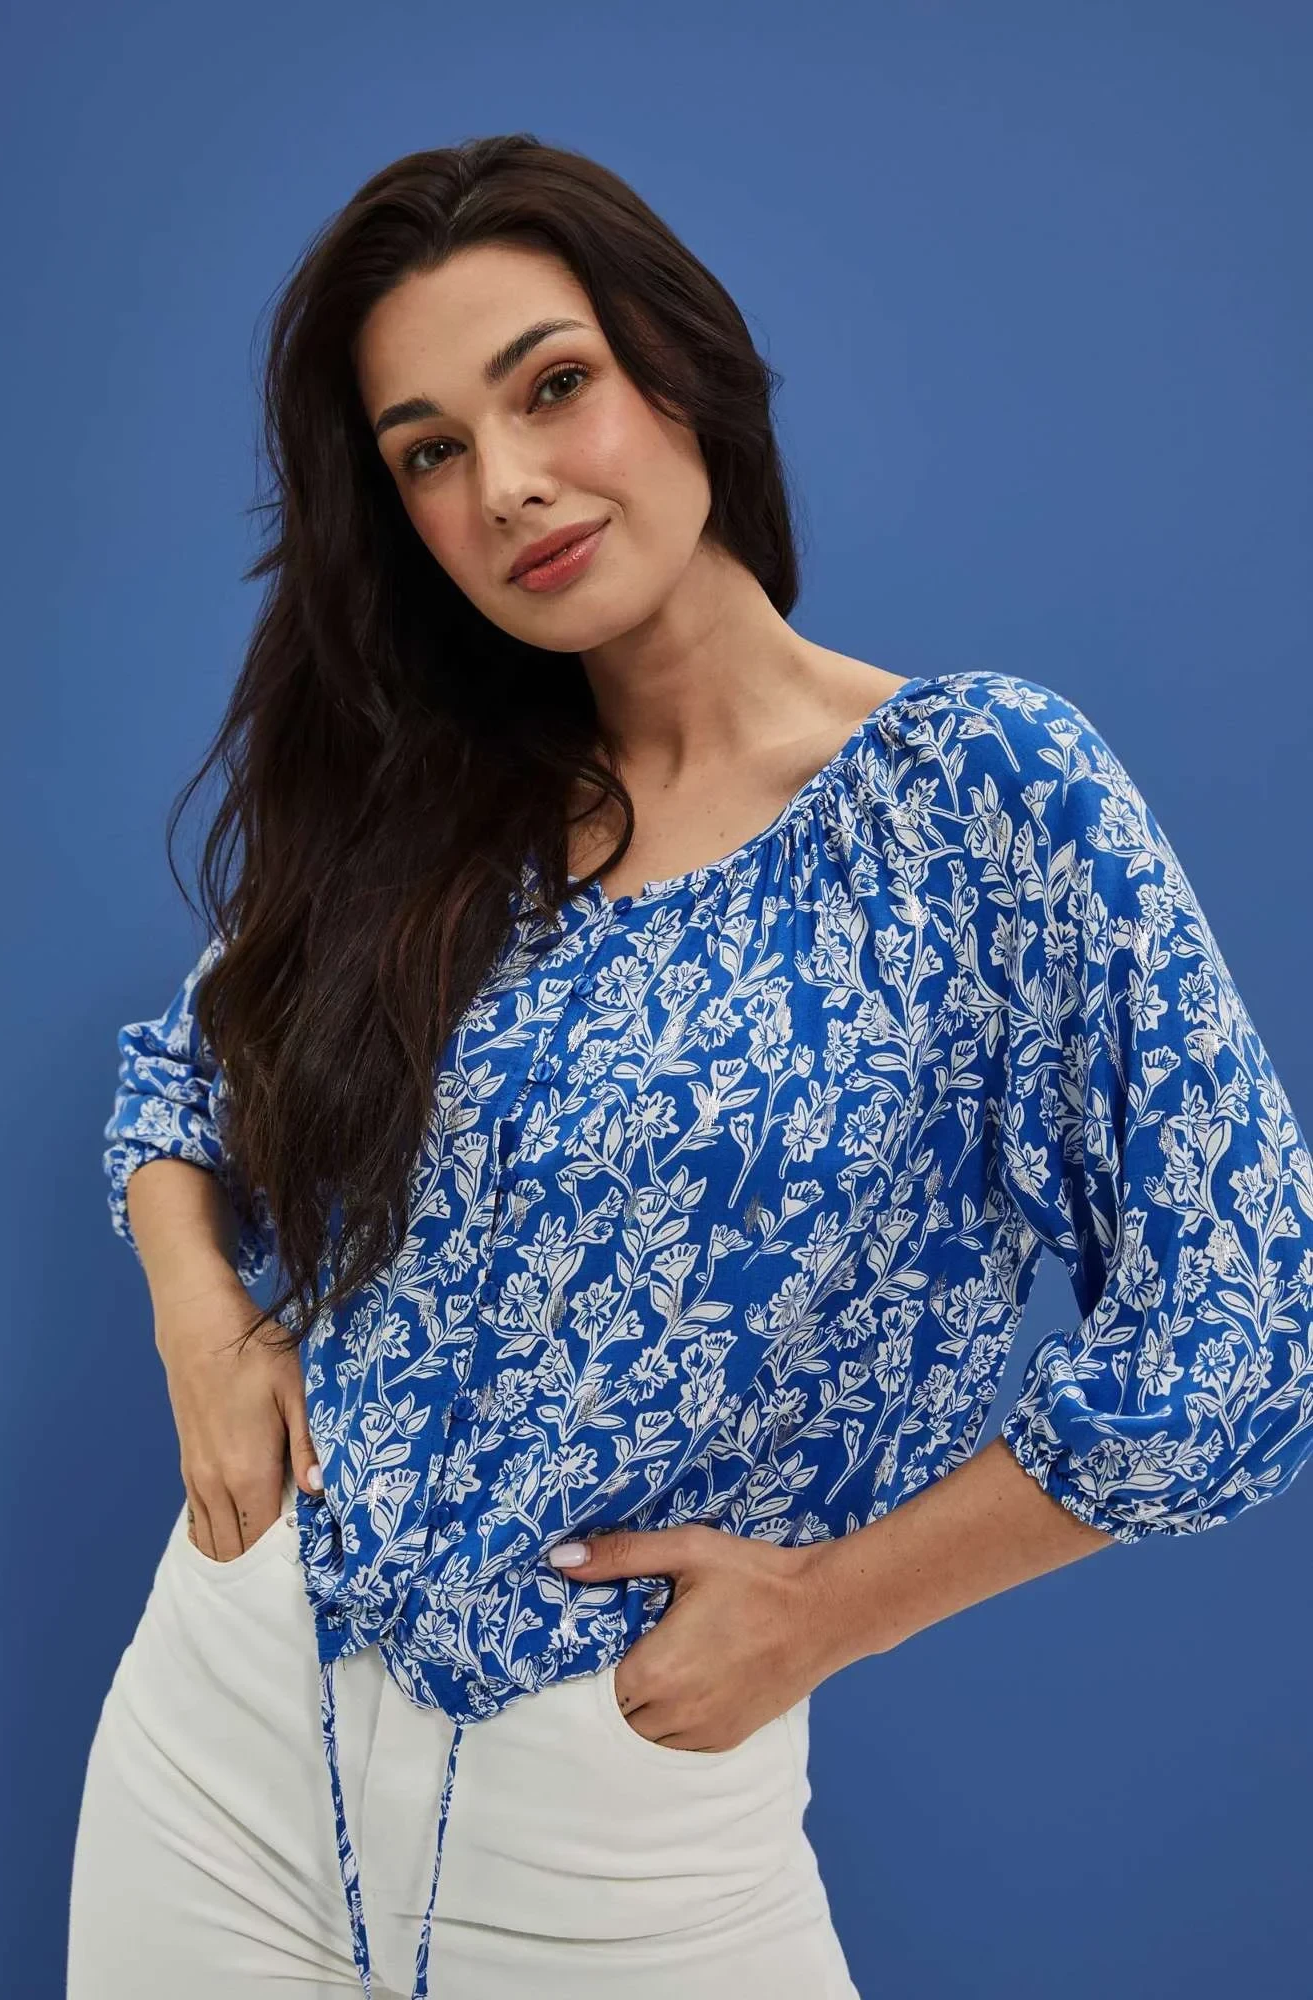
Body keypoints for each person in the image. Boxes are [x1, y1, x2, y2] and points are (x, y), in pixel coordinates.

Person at [68, 133, 1313, 2000]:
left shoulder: (979, 800)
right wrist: (203, 1320)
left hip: (616, 1824)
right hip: (220, 1737)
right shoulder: (444, 807)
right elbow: (183, 1076)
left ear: (682, 365)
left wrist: (827, 1611)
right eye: (427, 453)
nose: (508, 483)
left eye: (550, 384)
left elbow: (1250, 1327)